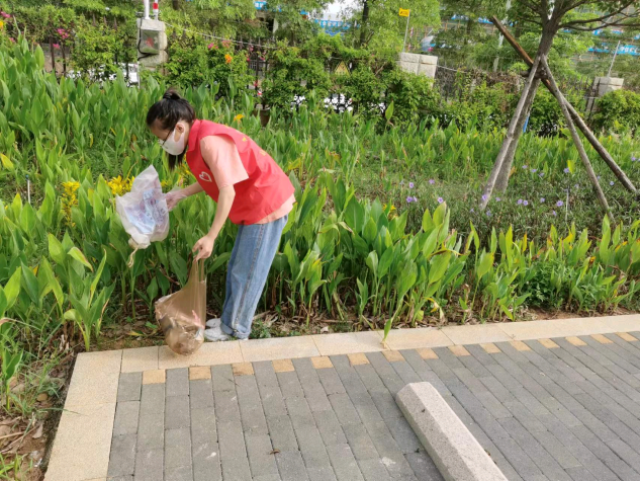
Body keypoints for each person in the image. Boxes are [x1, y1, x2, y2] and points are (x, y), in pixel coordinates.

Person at [146, 89, 295, 341]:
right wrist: (180, 194)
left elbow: (227, 190)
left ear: (179, 128)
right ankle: (230, 321)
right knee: (238, 266)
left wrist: (211, 236)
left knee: (247, 271)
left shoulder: (209, 141)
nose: (163, 145)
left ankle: (236, 329)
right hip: (254, 203)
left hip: (266, 202)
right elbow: (213, 177)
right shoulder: (197, 140)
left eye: (163, 139)